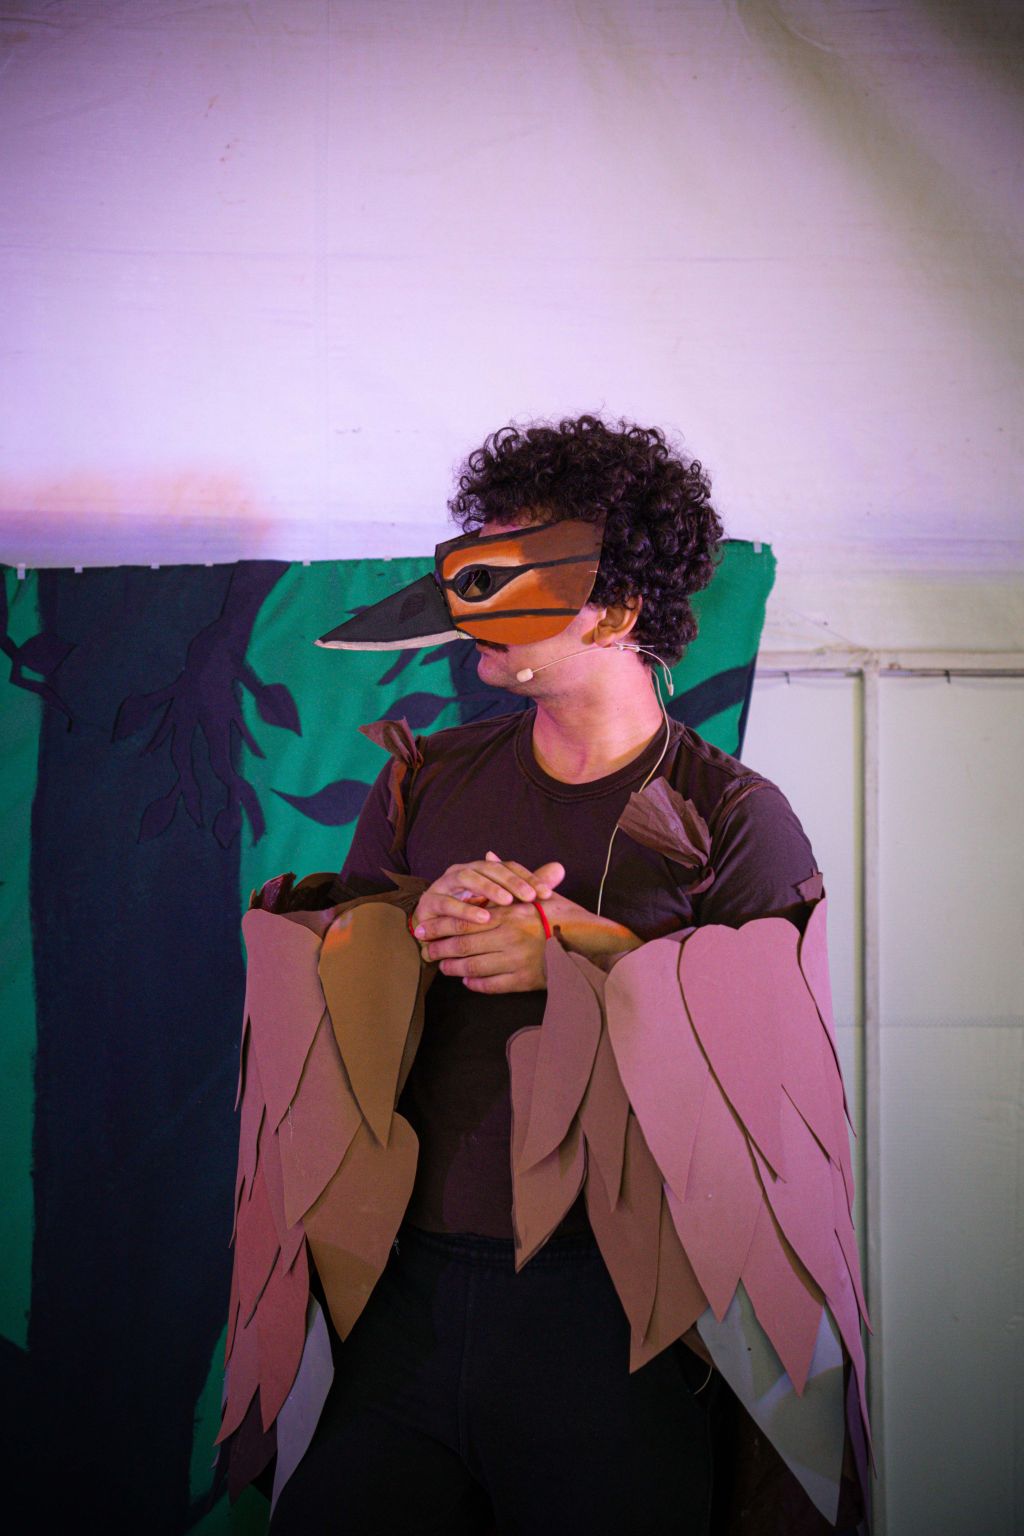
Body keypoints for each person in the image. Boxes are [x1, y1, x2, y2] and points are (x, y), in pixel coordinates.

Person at [233, 416, 868, 1535]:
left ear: (614, 612)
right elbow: (331, 1020)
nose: (468, 606)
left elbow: (778, 1088)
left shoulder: (733, 818)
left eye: (512, 573)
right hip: (408, 1296)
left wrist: (582, 953)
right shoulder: (427, 782)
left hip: (617, 1314)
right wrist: (406, 928)